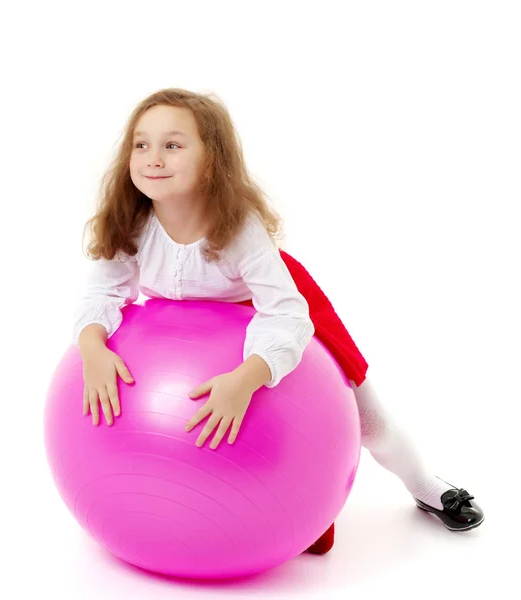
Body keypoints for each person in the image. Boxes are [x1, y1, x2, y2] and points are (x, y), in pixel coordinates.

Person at [72, 88, 484, 555]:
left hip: (277, 307)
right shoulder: (132, 223)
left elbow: (285, 315)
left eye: (173, 144)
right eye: (141, 144)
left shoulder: (238, 227)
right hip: (182, 334)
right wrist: (93, 348)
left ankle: (427, 489)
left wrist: (247, 377)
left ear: (211, 160)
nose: (153, 158)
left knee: (367, 419)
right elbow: (103, 291)